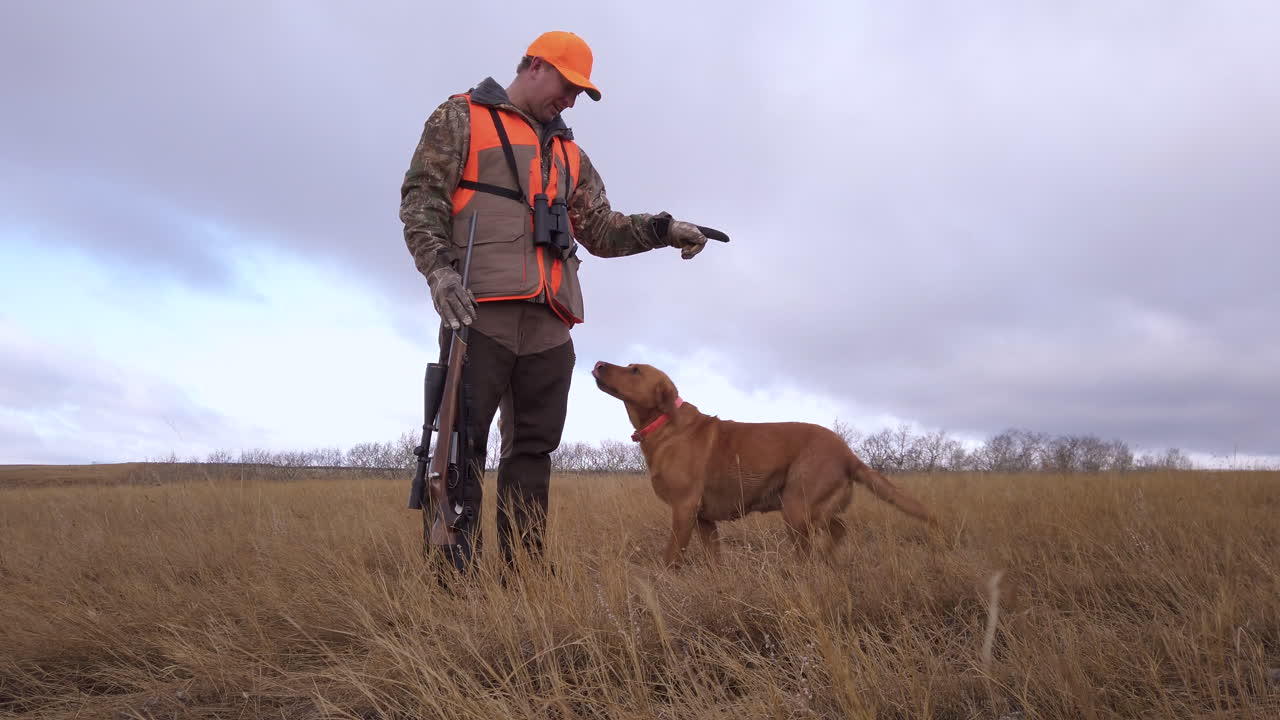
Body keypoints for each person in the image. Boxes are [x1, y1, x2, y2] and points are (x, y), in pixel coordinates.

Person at [399, 30, 719, 572]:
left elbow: (600, 228)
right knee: (461, 450)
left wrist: (664, 229)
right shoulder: (459, 118)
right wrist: (439, 273)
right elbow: (421, 198)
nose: (570, 102)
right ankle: (455, 584)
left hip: (550, 328)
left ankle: (524, 575)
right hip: (479, 313)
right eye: (568, 87)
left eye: (579, 95)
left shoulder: (572, 156)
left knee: (533, 452)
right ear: (534, 66)